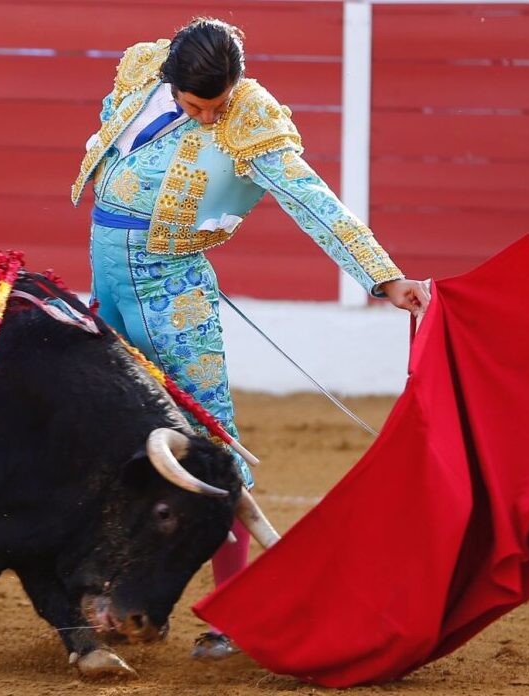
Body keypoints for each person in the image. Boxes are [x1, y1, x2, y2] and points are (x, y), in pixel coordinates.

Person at [71, 17, 431, 660]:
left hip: (172, 295)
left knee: (212, 447)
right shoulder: (143, 71)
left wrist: (383, 276)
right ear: (170, 81)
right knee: (104, 432)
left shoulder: (251, 118)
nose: (210, 117)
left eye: (219, 104)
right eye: (196, 106)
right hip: (107, 284)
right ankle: (109, 593)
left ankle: (232, 614)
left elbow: (312, 201)